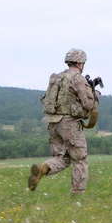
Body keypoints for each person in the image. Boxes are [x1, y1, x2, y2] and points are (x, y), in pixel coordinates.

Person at [28, 48, 100, 195]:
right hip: (69, 124)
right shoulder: (77, 78)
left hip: (52, 122)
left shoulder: (57, 78)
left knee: (62, 158)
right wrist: (96, 96)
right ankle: (78, 195)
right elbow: (87, 105)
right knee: (80, 159)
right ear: (80, 63)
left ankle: (43, 168)